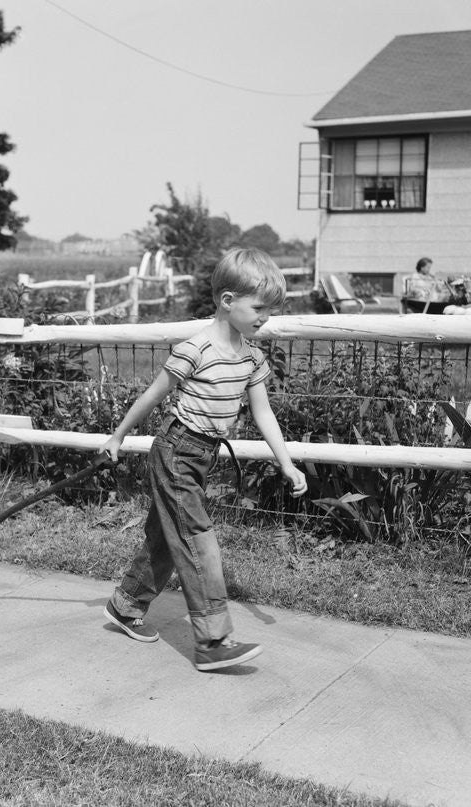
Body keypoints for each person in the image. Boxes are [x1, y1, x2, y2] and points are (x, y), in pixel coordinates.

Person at [99, 247, 307, 672]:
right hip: (176, 452)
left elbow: (262, 412)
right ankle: (213, 641)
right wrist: (117, 436)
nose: (266, 316)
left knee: (165, 538)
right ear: (227, 301)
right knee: (198, 541)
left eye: (271, 309)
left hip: (202, 456)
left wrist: (286, 463)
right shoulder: (195, 348)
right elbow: (153, 395)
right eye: (259, 307)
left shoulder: (251, 356)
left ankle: (126, 605)